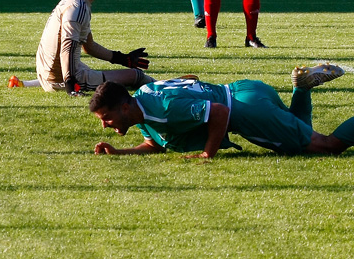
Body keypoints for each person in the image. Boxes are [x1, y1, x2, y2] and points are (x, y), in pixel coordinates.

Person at [89, 64, 354, 158]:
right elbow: (155, 144)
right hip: (248, 89)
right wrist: (119, 151)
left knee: (325, 146)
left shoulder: (162, 109)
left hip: (245, 110)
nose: (105, 125)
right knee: (299, 133)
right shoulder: (141, 102)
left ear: (124, 107)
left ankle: (302, 90)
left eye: (107, 118)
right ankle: (302, 88)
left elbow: (217, 112)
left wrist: (207, 153)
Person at [35, 0, 155, 94]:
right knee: (136, 75)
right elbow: (67, 46)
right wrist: (70, 83)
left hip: (54, 74)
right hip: (63, 78)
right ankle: (166, 87)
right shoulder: (77, 7)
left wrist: (123, 58)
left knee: (103, 72)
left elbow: (89, 46)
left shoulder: (75, 2)